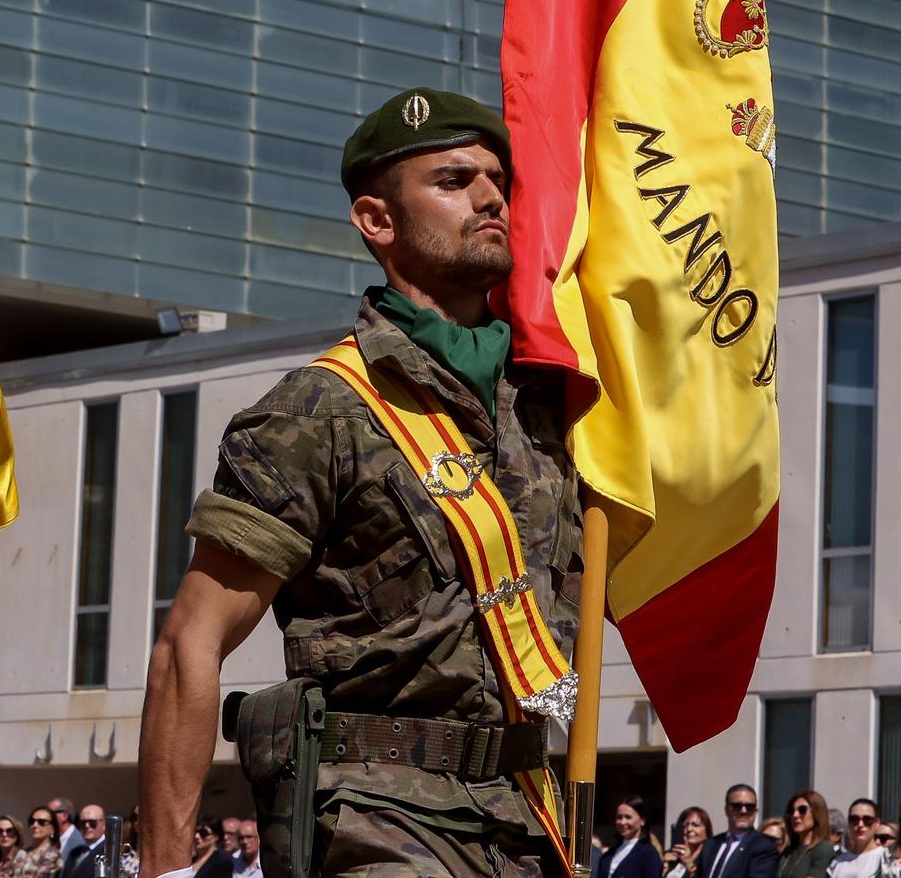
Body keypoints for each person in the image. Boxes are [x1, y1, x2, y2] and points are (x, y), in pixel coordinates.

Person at [138, 90, 580, 878]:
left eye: (495, 181)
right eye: (452, 180)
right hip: (379, 822)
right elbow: (188, 645)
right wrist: (168, 871)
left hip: (527, 820)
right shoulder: (321, 407)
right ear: (377, 220)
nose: (489, 196)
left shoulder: (546, 408)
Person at [703, 785, 781, 878]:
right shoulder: (710, 844)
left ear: (755, 812)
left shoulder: (764, 846)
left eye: (749, 807)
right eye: (737, 806)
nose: (743, 811)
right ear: (726, 810)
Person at [599, 797, 662, 878]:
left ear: (642, 821)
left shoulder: (648, 854)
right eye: (619, 817)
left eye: (628, 817)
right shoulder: (608, 854)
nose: (622, 822)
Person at [781, 793, 835, 878]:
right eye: (791, 811)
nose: (795, 815)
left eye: (802, 810)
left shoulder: (823, 849)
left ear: (817, 813)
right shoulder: (788, 851)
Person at [832, 800, 886, 878]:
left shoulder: (885, 859)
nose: (860, 824)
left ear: (877, 823)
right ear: (849, 823)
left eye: (867, 819)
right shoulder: (837, 862)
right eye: (854, 819)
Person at [12, 810, 62, 878]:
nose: (35, 825)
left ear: (52, 829)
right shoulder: (21, 853)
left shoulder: (54, 856)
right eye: (32, 821)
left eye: (41, 822)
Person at [664, 807, 712, 878]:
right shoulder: (672, 857)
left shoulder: (711, 857)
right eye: (685, 825)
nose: (689, 829)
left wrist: (689, 863)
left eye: (695, 825)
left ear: (706, 830)